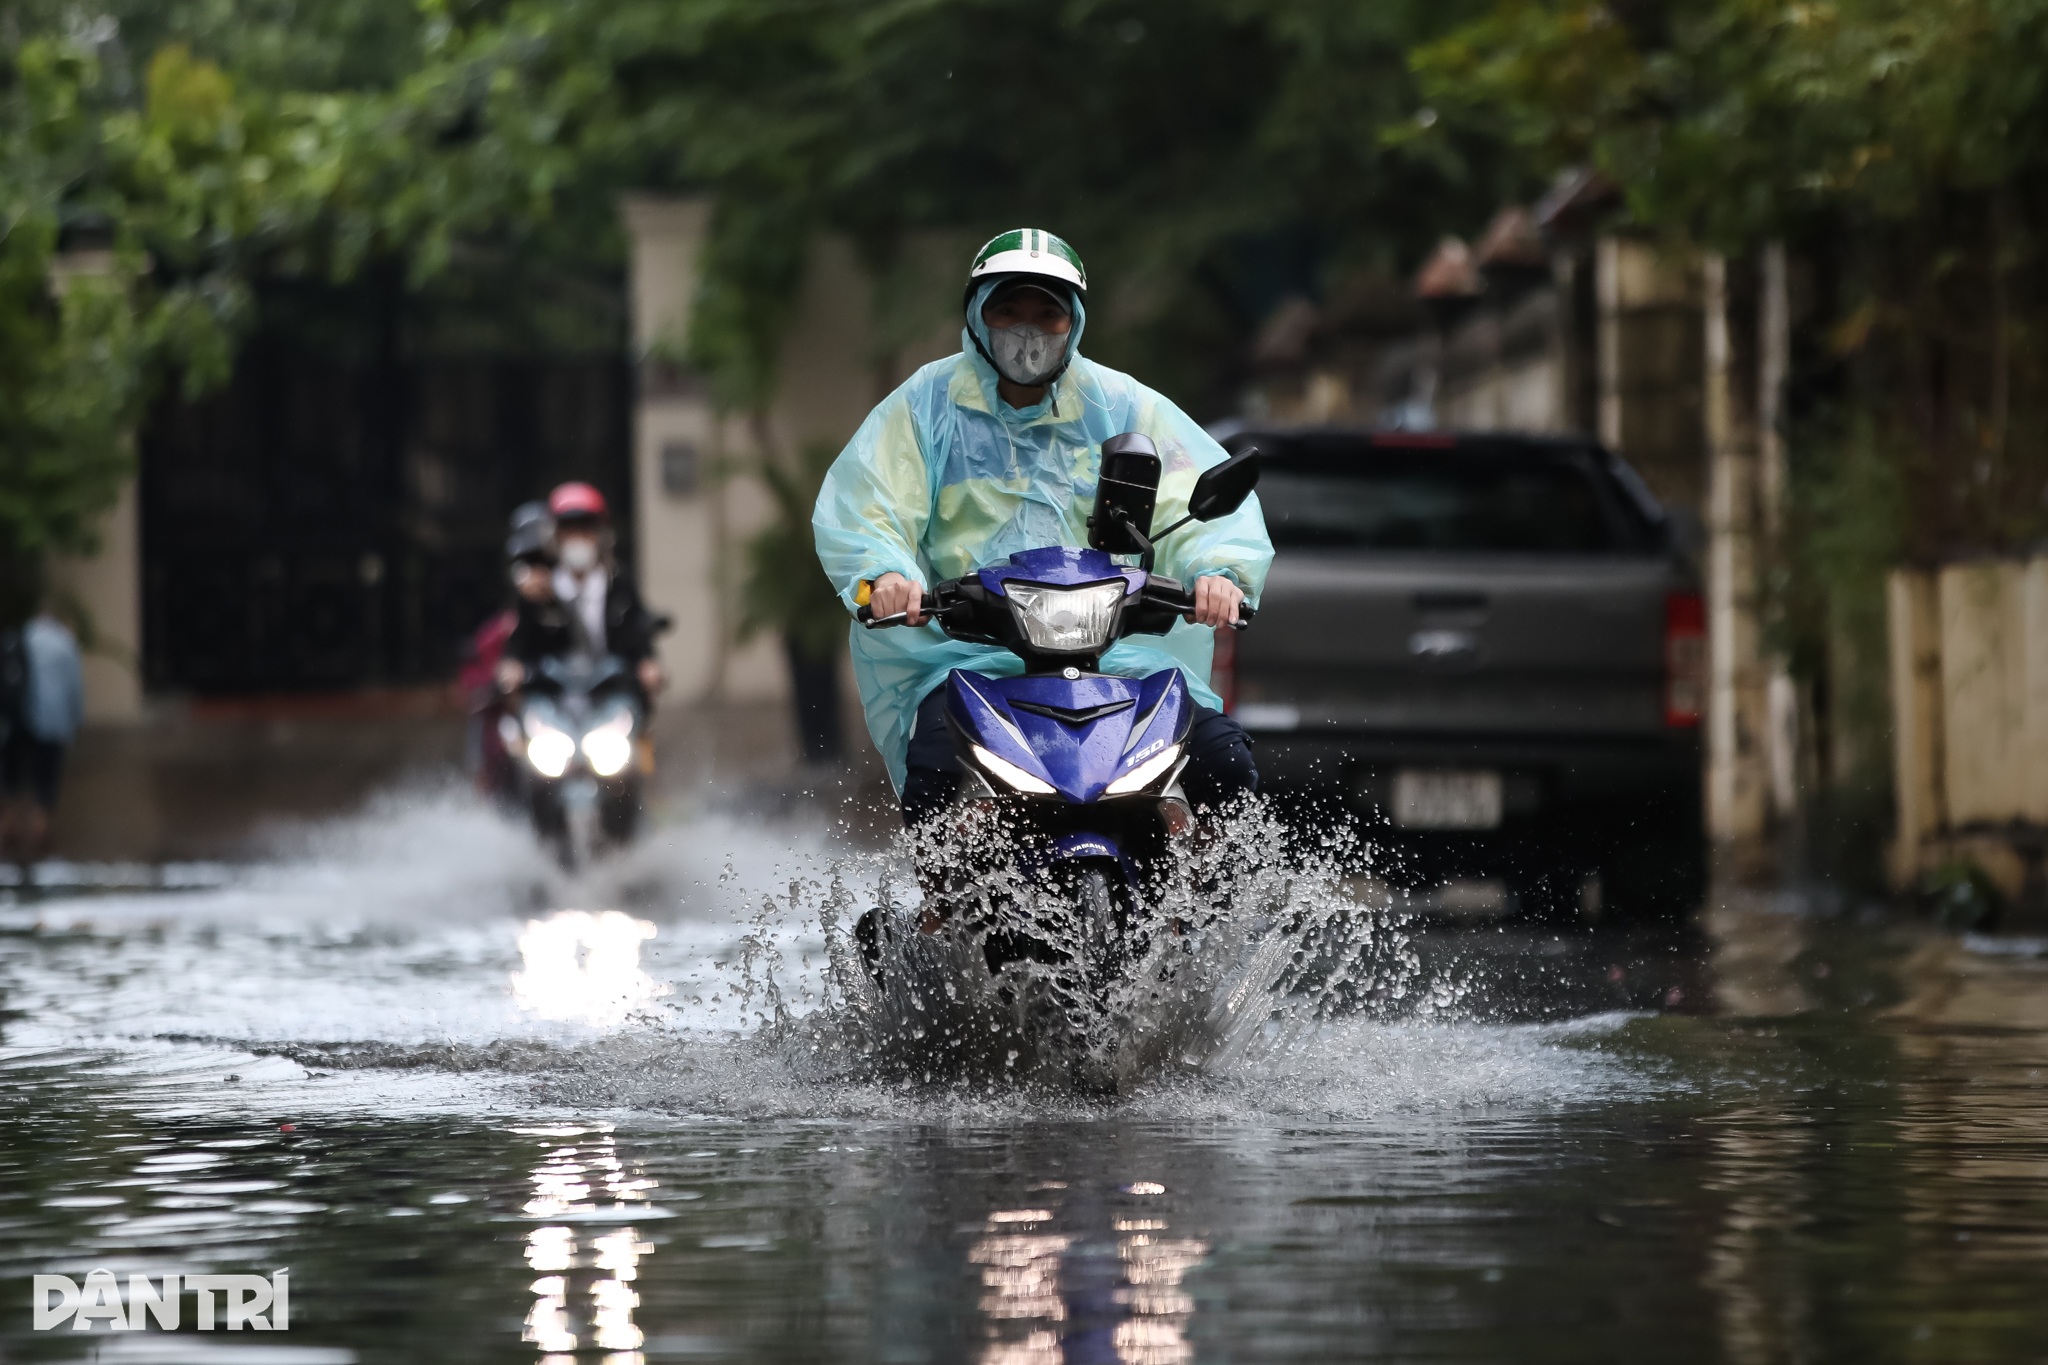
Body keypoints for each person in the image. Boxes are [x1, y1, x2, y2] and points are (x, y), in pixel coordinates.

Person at [813, 228, 1273, 827]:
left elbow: (1198, 497)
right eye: (1008, 309)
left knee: (1225, 766)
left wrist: (1219, 572)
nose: (1026, 330)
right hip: (970, 654)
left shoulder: (1126, 406)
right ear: (978, 315)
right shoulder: (925, 406)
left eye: (1047, 313)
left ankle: (1204, 913)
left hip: (1118, 653)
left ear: (1074, 322)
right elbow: (868, 506)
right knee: (934, 768)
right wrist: (887, 577)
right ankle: (938, 911)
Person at [501, 483, 665, 699]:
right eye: (569, 530)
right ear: (554, 536)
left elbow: (638, 631)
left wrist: (648, 664)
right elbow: (520, 643)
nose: (577, 538)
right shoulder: (539, 588)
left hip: (611, 695)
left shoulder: (619, 584)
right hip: (555, 698)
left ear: (601, 534)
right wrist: (512, 667)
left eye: (586, 529)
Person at [463, 502, 555, 801]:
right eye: (529, 565)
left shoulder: (584, 613)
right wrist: (496, 684)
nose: (539, 577)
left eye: (546, 564)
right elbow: (473, 686)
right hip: (520, 730)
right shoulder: (498, 633)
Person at [0, 608, 83, 861]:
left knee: (11, 774)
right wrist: (75, 720)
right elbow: (74, 686)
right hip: (52, 720)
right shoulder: (65, 643)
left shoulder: (17, 638)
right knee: (45, 775)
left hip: (16, 721)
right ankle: (39, 826)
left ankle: (8, 823)